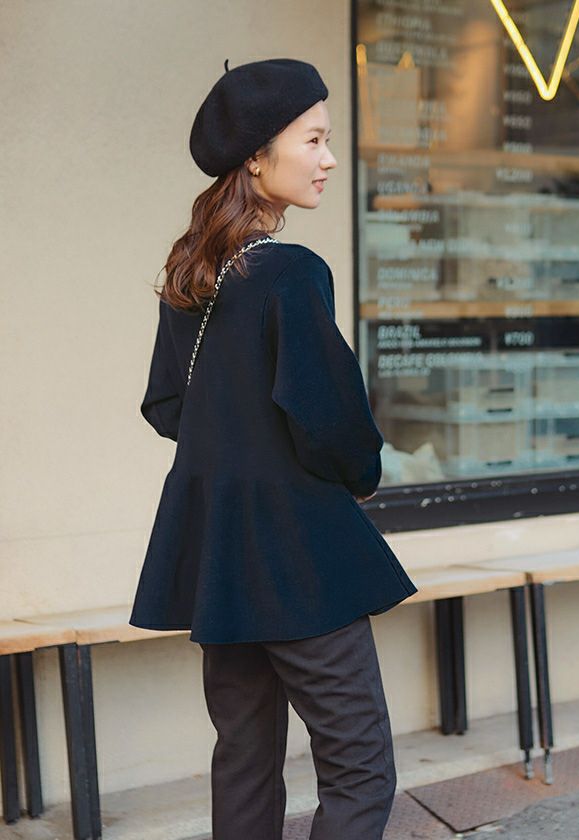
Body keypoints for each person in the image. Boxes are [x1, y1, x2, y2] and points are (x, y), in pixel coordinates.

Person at [128, 58, 419, 840]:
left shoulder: (192, 273)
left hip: (219, 557)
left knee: (245, 759)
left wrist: (239, 441)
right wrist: (361, 473)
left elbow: (168, 407)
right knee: (359, 764)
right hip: (296, 557)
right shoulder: (289, 272)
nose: (329, 159)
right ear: (257, 157)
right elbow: (332, 419)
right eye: (314, 140)